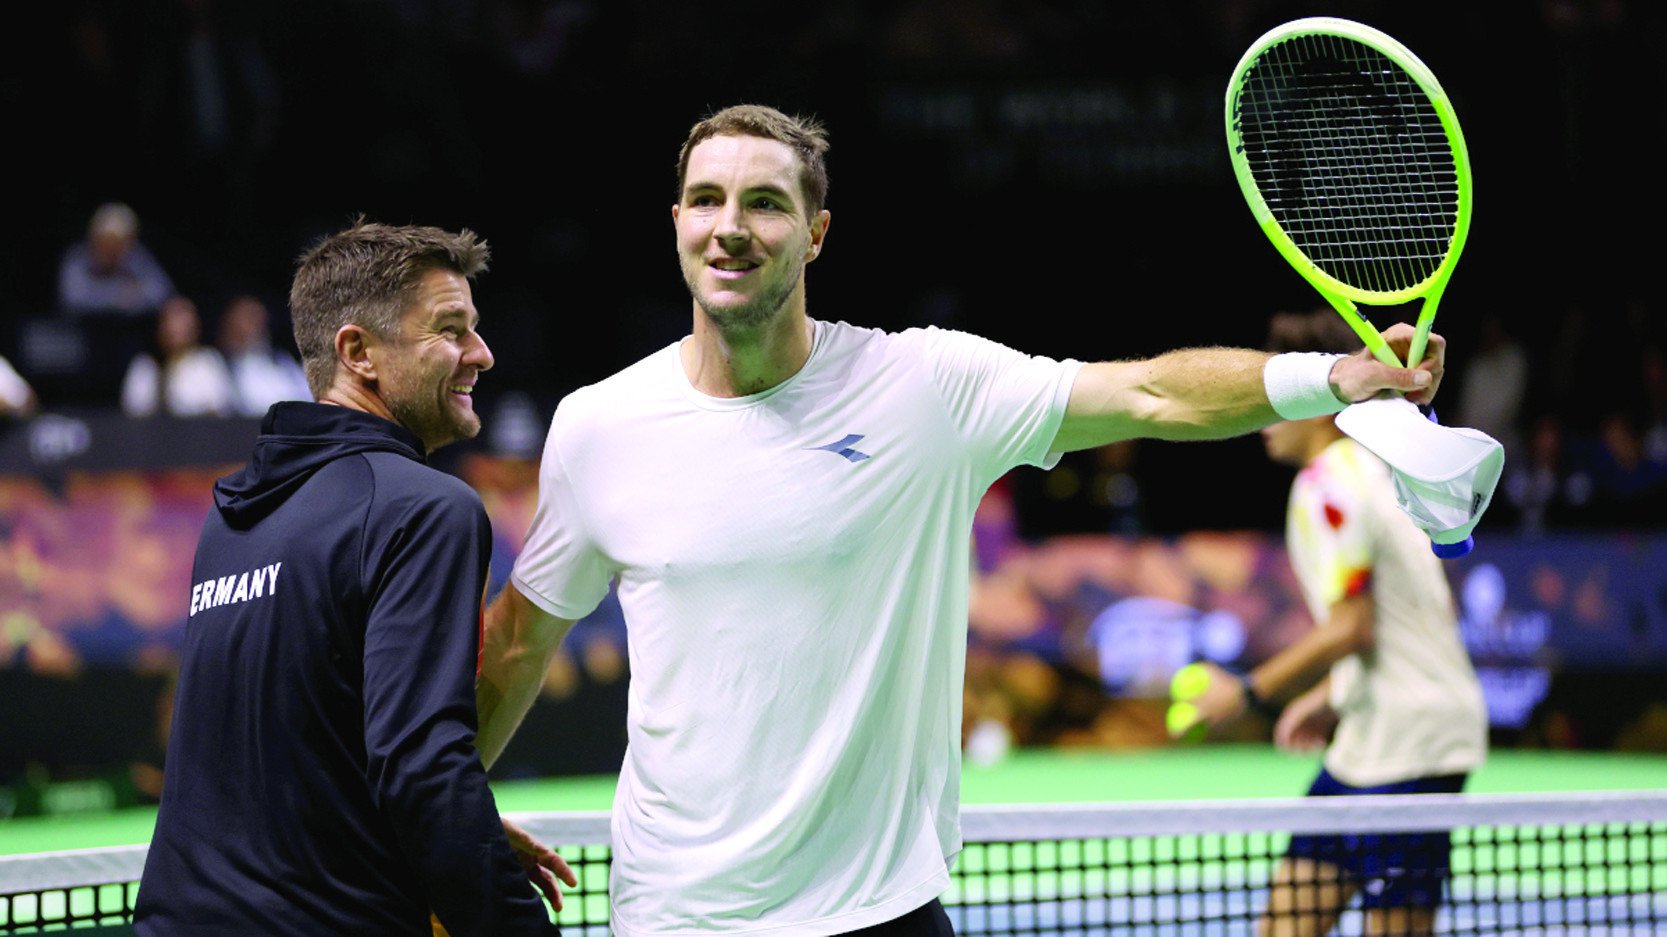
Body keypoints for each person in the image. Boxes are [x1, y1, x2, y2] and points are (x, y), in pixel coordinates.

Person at [475, 104, 1446, 937]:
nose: (730, 226)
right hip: (676, 915)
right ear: (677, 220)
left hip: (878, 910)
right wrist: (435, 810)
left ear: (814, 233)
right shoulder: (599, 428)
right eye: (707, 200)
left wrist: (1332, 378)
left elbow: (1149, 392)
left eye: (765, 202)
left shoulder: (923, 388)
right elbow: (516, 644)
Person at [135, 219, 570, 936]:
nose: (482, 354)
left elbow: (291, 753)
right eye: (451, 329)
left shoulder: (234, 516)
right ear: (358, 351)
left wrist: (461, 843)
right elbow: (421, 766)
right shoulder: (422, 508)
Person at [1185, 309, 1488, 937]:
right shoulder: (1376, 468)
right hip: (1378, 734)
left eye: (1281, 395)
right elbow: (1402, 615)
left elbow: (1352, 628)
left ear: (1323, 399)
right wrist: (1335, 694)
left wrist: (1245, 691)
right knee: (1286, 925)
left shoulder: (1328, 486)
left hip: (1411, 745)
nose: (1264, 419)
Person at [119, 294, 237, 417]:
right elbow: (133, 412)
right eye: (169, 322)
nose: (174, 329)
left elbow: (221, 408)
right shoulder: (145, 365)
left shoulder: (208, 361)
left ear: (195, 327)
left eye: (183, 323)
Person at [57, 201, 177, 316]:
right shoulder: (78, 258)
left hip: (127, 331)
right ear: (94, 239)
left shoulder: (134, 257)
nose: (112, 250)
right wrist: (118, 295)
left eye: (119, 243)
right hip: (80, 332)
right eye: (107, 241)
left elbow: (162, 292)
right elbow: (73, 299)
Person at [216, 293, 313, 416]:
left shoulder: (281, 361)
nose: (256, 325)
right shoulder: (220, 366)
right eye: (249, 318)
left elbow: (307, 398)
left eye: (259, 318)